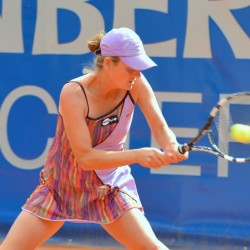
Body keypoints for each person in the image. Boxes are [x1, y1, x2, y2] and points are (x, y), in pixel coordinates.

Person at [0, 27, 187, 250]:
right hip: (61, 187)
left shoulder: (136, 84)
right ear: (108, 62)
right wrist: (138, 155)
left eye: (139, 68)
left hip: (109, 188)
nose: (136, 73)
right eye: (130, 68)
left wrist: (171, 145)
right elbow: (85, 158)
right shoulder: (74, 93)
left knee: (152, 248)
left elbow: (160, 127)